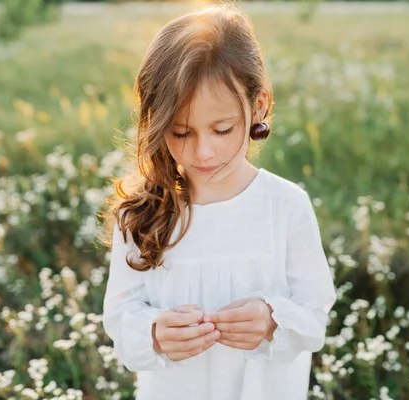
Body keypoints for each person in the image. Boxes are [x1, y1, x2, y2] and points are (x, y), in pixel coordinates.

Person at [101, 4, 337, 399]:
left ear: (258, 106)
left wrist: (272, 322)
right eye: (180, 132)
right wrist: (155, 333)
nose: (203, 152)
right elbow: (120, 322)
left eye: (222, 128)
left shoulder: (285, 206)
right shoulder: (141, 215)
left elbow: (315, 317)